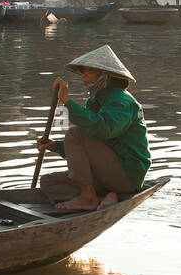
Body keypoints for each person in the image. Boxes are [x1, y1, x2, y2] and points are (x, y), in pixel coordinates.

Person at [36, 46, 151, 212]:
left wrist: (67, 102)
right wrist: (55, 146)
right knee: (48, 182)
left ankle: (88, 197)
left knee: (75, 133)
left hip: (126, 174)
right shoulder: (95, 101)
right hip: (106, 173)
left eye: (89, 71)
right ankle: (104, 197)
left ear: (105, 76)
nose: (84, 76)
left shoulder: (122, 101)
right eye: (83, 72)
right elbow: (89, 145)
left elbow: (104, 130)